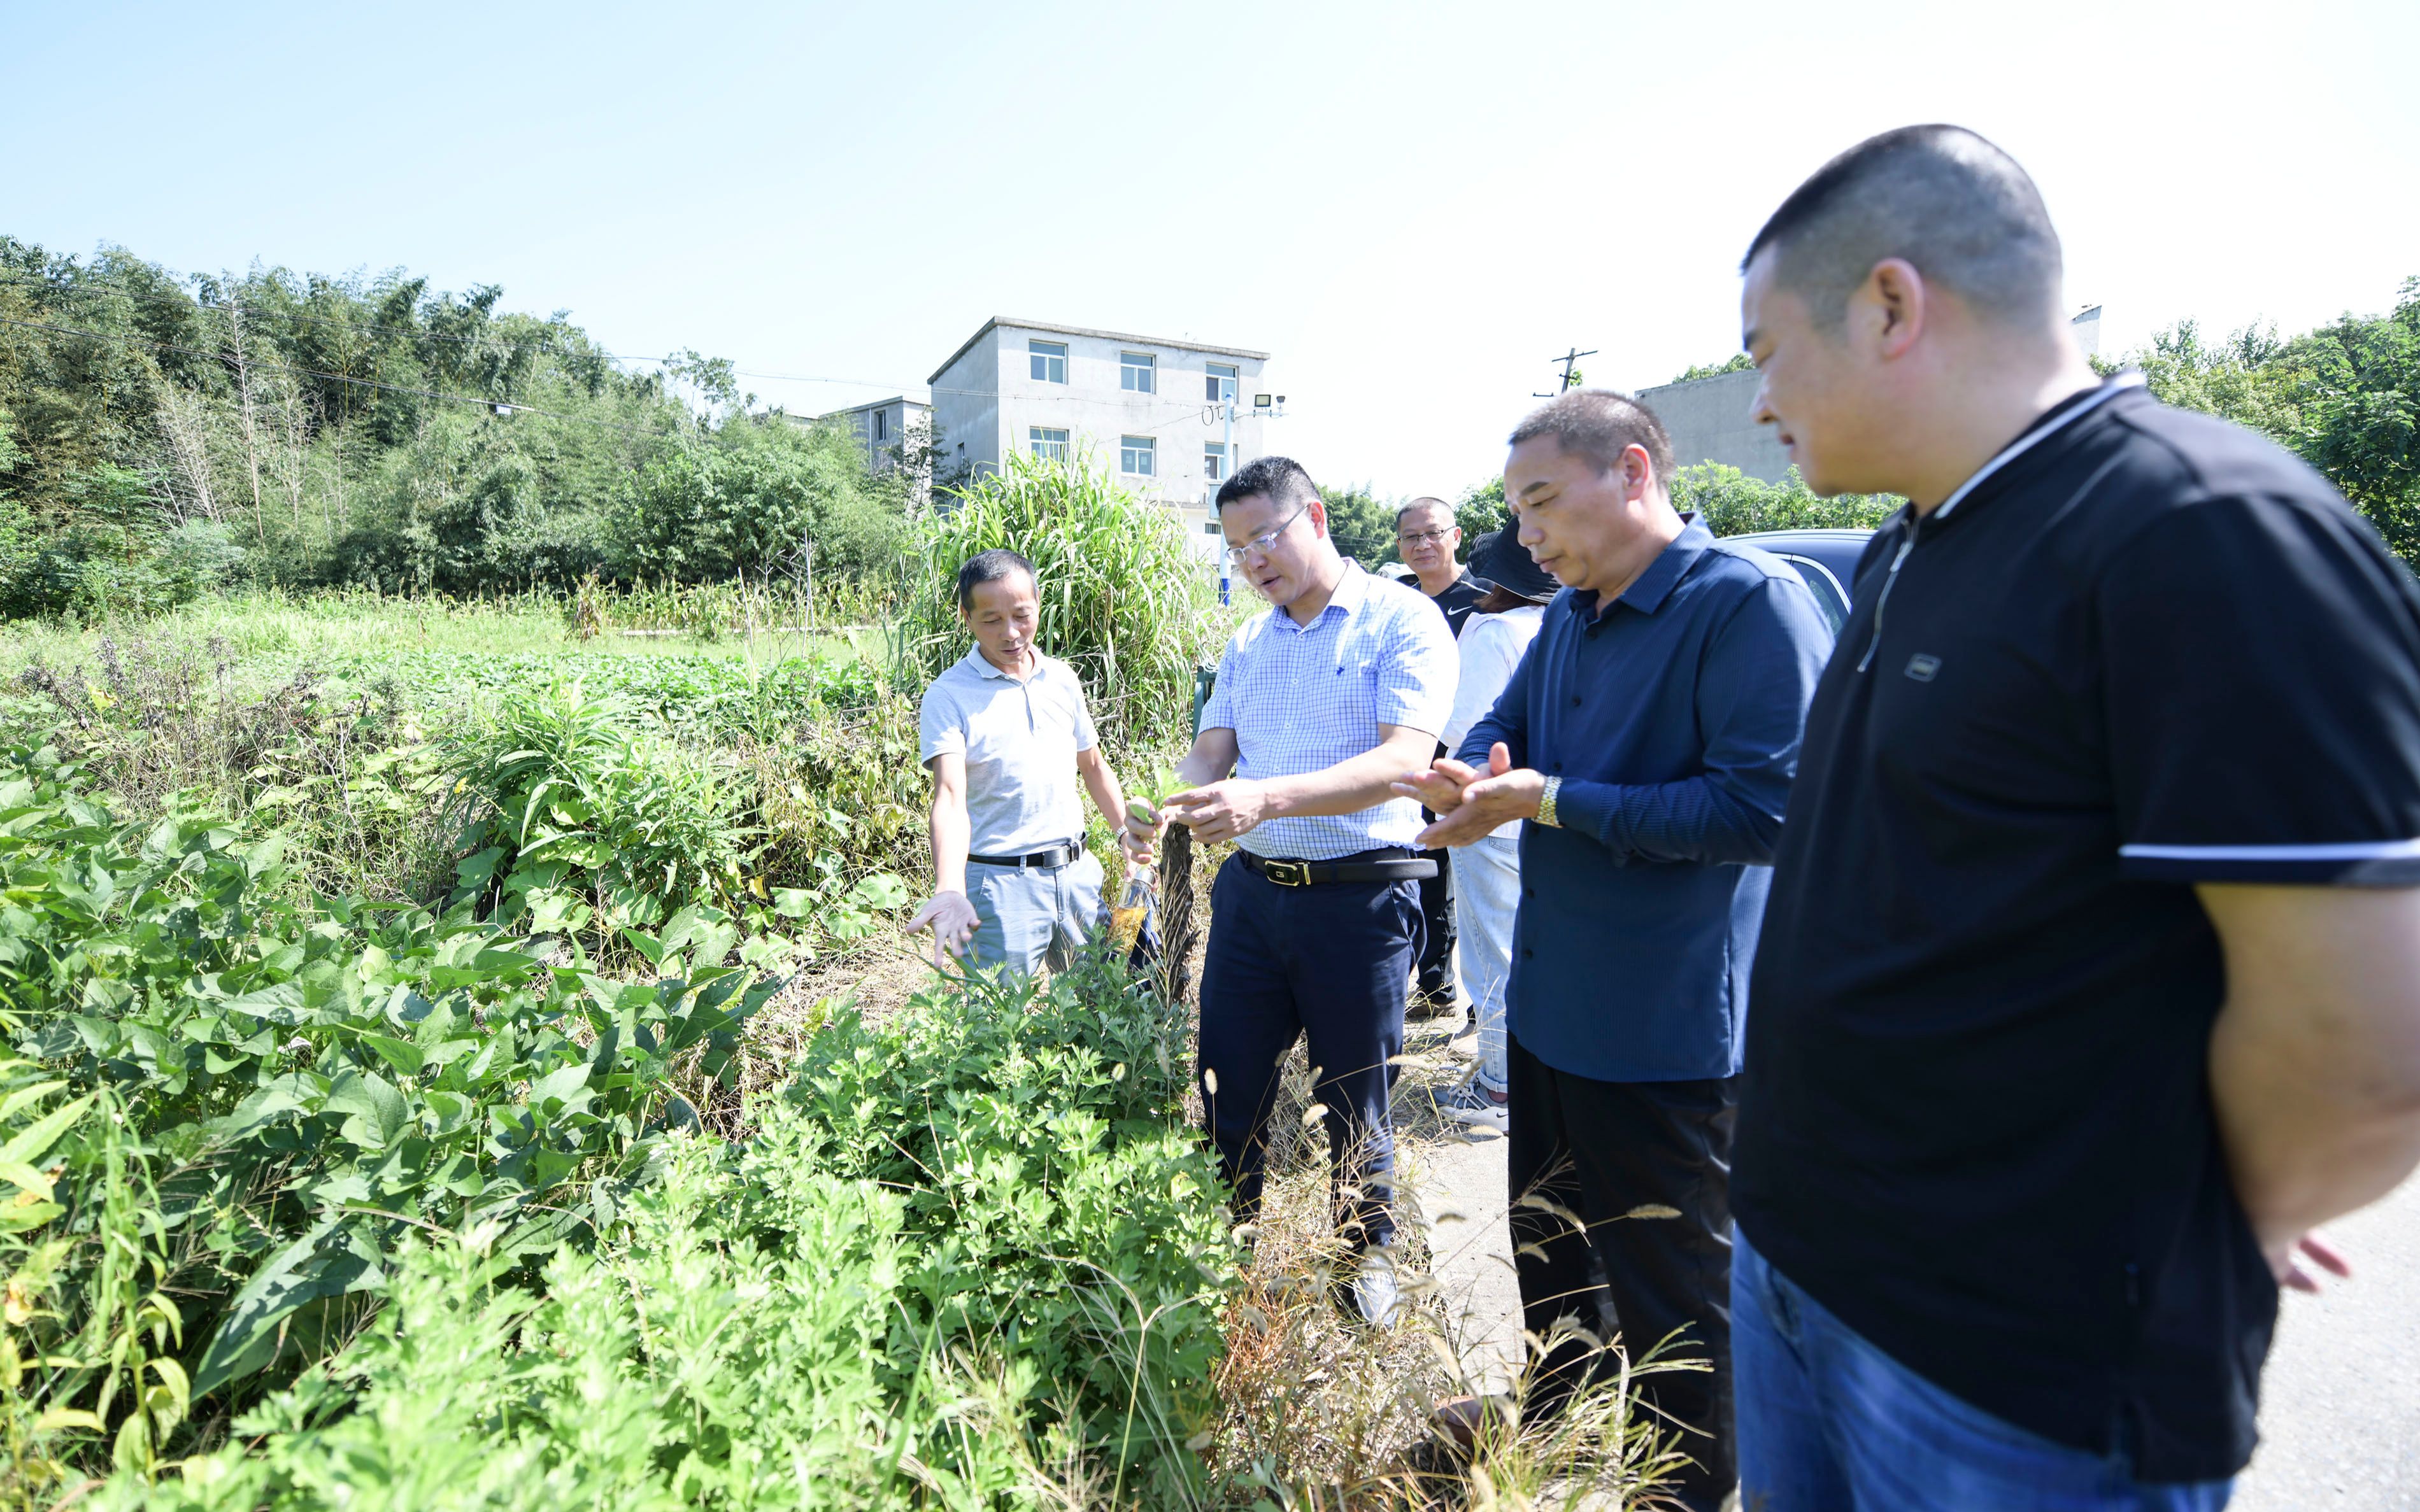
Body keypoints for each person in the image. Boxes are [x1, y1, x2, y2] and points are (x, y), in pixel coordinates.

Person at [1729, 125, 2420, 1511]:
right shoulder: (1912, 545)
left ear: (1887, 304)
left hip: (2003, 1373)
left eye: (1761, 348)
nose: (1756, 402)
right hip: (1800, 1276)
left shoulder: (2196, 528)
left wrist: (2210, 1220)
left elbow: (2368, 1051)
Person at [1401, 392, 1832, 1511]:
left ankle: (1683, 1490)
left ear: (1633, 473)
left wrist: (1550, 803)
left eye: (1542, 502)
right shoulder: (1571, 617)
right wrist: (1474, 776)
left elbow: (1770, 810)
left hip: (1667, 1032)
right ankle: (1562, 1440)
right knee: (1551, 1258)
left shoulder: (1744, 606)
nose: (1527, 534)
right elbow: (1512, 736)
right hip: (1551, 1013)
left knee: (1678, 1302)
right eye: (1515, 512)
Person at [1129, 455, 1456, 1326]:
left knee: (1357, 1093)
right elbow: (1214, 751)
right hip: (1252, 895)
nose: (1253, 562)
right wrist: (1172, 801)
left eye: (1265, 538)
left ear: (1313, 517)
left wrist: (1265, 796)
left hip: (1361, 898)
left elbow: (1403, 762)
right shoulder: (1249, 642)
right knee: (1227, 1078)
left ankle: (1365, 1255)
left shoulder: (1402, 621)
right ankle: (1225, 1246)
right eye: (1236, 548)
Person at [908, 549, 1150, 974]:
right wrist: (949, 886)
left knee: (1105, 1007)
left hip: (1077, 876)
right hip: (1000, 887)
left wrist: (1124, 837)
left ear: (1039, 604)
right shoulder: (948, 696)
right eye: (991, 620)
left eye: (1022, 615)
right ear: (965, 617)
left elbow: (1092, 765)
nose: (1011, 633)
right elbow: (948, 796)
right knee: (1000, 1025)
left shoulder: (1062, 678)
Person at [1430, 528, 1559, 1134]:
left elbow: (1467, 724)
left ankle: (1499, 1085)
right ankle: (1530, 1075)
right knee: (1534, 948)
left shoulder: (1492, 632)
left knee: (1492, 955)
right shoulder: (1560, 623)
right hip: (1545, 814)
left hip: (1490, 811)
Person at [1395, 495, 1489, 1017]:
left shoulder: (1486, 600)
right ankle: (1435, 989)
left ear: (1455, 536)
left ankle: (1486, 1000)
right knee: (1422, 869)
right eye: (1412, 537)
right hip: (1410, 759)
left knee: (1476, 879)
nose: (1423, 545)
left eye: (1433, 533)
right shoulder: (1398, 601)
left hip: (1469, 758)